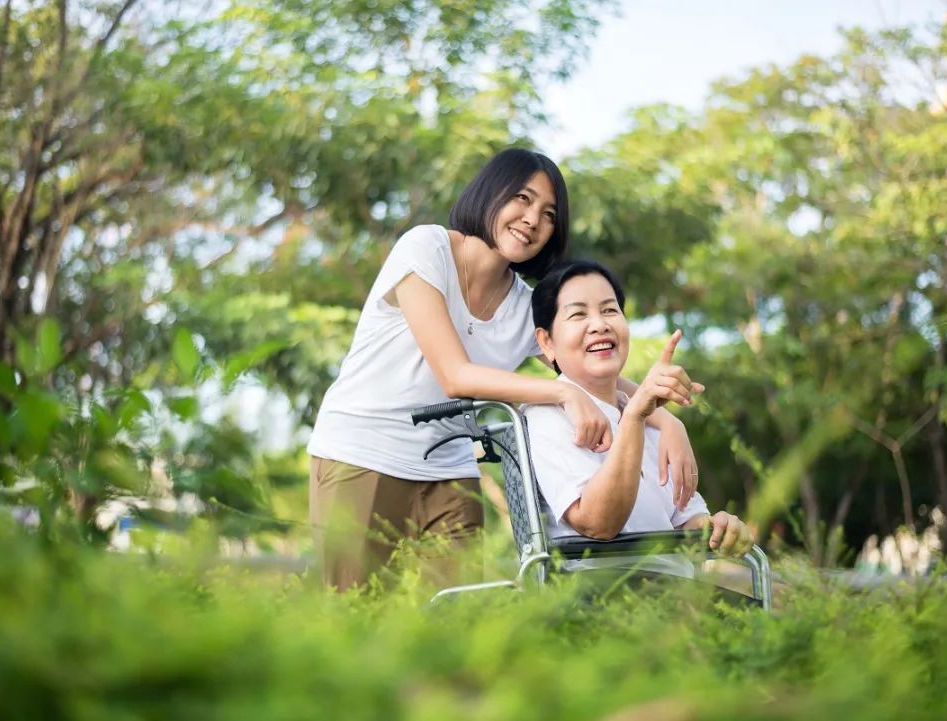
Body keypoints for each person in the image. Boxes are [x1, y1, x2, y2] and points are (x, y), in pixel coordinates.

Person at [307, 149, 701, 590]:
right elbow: (455, 375)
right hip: (364, 453)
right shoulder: (426, 248)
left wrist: (662, 419)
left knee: (458, 616)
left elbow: (588, 367)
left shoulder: (521, 305)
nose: (533, 219)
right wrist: (562, 394)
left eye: (548, 214)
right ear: (489, 194)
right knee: (356, 610)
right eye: (522, 198)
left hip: (448, 468)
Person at [524, 259, 753, 569]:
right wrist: (634, 418)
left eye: (609, 310)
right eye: (578, 314)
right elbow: (597, 523)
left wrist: (720, 529)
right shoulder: (547, 416)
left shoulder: (650, 418)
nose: (599, 324)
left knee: (783, 591)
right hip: (605, 598)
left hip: (677, 591)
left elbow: (685, 521)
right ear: (546, 342)